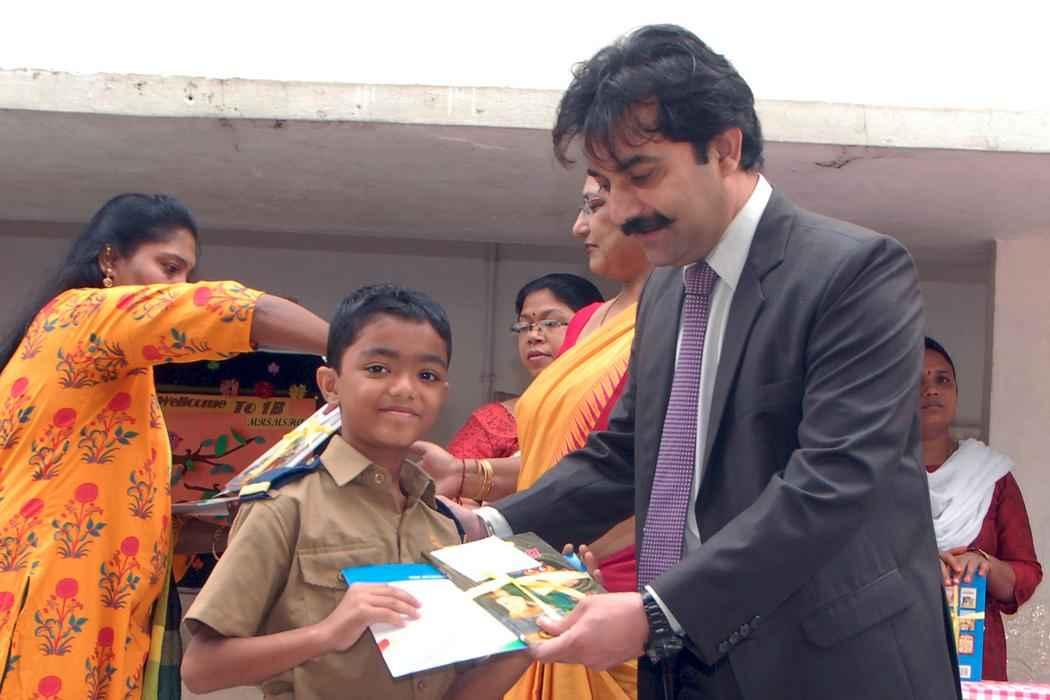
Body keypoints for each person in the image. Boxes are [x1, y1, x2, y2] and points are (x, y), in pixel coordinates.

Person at [447, 24, 960, 700]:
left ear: (724, 148)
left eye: (641, 176)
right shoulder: (666, 290)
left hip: (828, 668)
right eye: (606, 185)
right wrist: (488, 525)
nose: (622, 210)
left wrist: (659, 612)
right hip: (681, 664)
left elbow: (834, 479)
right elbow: (626, 457)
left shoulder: (853, 272)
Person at [0, 193, 328, 700]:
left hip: (96, 607)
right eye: (169, 268)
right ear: (110, 260)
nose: (178, 287)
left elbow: (111, 513)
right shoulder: (80, 314)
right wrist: (353, 347)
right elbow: (225, 309)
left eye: (186, 275)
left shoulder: (110, 367)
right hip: (52, 604)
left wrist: (222, 530)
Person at [181, 285, 530, 700]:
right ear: (331, 384)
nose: (405, 388)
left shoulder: (443, 522)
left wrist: (530, 637)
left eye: (428, 375)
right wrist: (327, 633)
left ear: (443, 393)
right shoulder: (286, 506)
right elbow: (202, 669)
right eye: (378, 368)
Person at [921, 337, 1042, 681]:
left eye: (942, 379)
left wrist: (984, 564)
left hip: (976, 659)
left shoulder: (991, 477)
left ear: (956, 393)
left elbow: (1026, 574)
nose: (931, 389)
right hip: (894, 655)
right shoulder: (878, 480)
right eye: (916, 382)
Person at [446, 273, 602, 461]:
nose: (532, 336)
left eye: (551, 323)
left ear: (595, 327)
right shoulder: (493, 423)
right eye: (524, 326)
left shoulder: (618, 411)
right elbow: (451, 476)